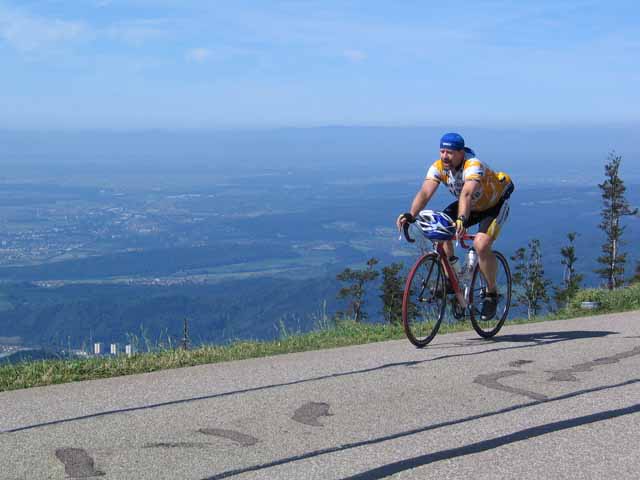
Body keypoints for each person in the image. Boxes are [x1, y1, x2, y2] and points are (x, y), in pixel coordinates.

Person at [396, 132, 514, 320]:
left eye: (449, 152)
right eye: (442, 151)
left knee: (481, 245)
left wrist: (461, 218)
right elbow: (425, 193)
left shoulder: (473, 165)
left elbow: (467, 193)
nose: (444, 156)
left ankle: (492, 294)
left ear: (461, 152)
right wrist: (411, 215)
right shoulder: (438, 167)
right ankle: (452, 277)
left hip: (493, 206)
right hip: (468, 206)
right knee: (439, 231)